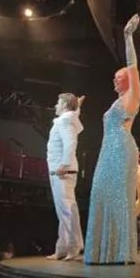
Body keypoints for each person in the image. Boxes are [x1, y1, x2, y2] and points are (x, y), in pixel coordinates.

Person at [84, 14, 140, 265]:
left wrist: (128, 37)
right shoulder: (116, 102)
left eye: (119, 77)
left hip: (121, 148)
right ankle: (103, 252)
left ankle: (120, 252)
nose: (114, 80)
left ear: (127, 80)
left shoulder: (133, 96)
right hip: (107, 150)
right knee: (100, 192)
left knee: (119, 196)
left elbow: (132, 66)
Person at [46, 93, 85, 261]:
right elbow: (74, 119)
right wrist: (77, 107)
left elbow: (70, 143)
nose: (56, 105)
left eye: (58, 102)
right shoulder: (69, 119)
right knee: (65, 211)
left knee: (66, 210)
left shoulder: (64, 121)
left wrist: (64, 164)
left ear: (65, 106)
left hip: (62, 171)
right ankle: (62, 248)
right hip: (61, 171)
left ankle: (72, 246)